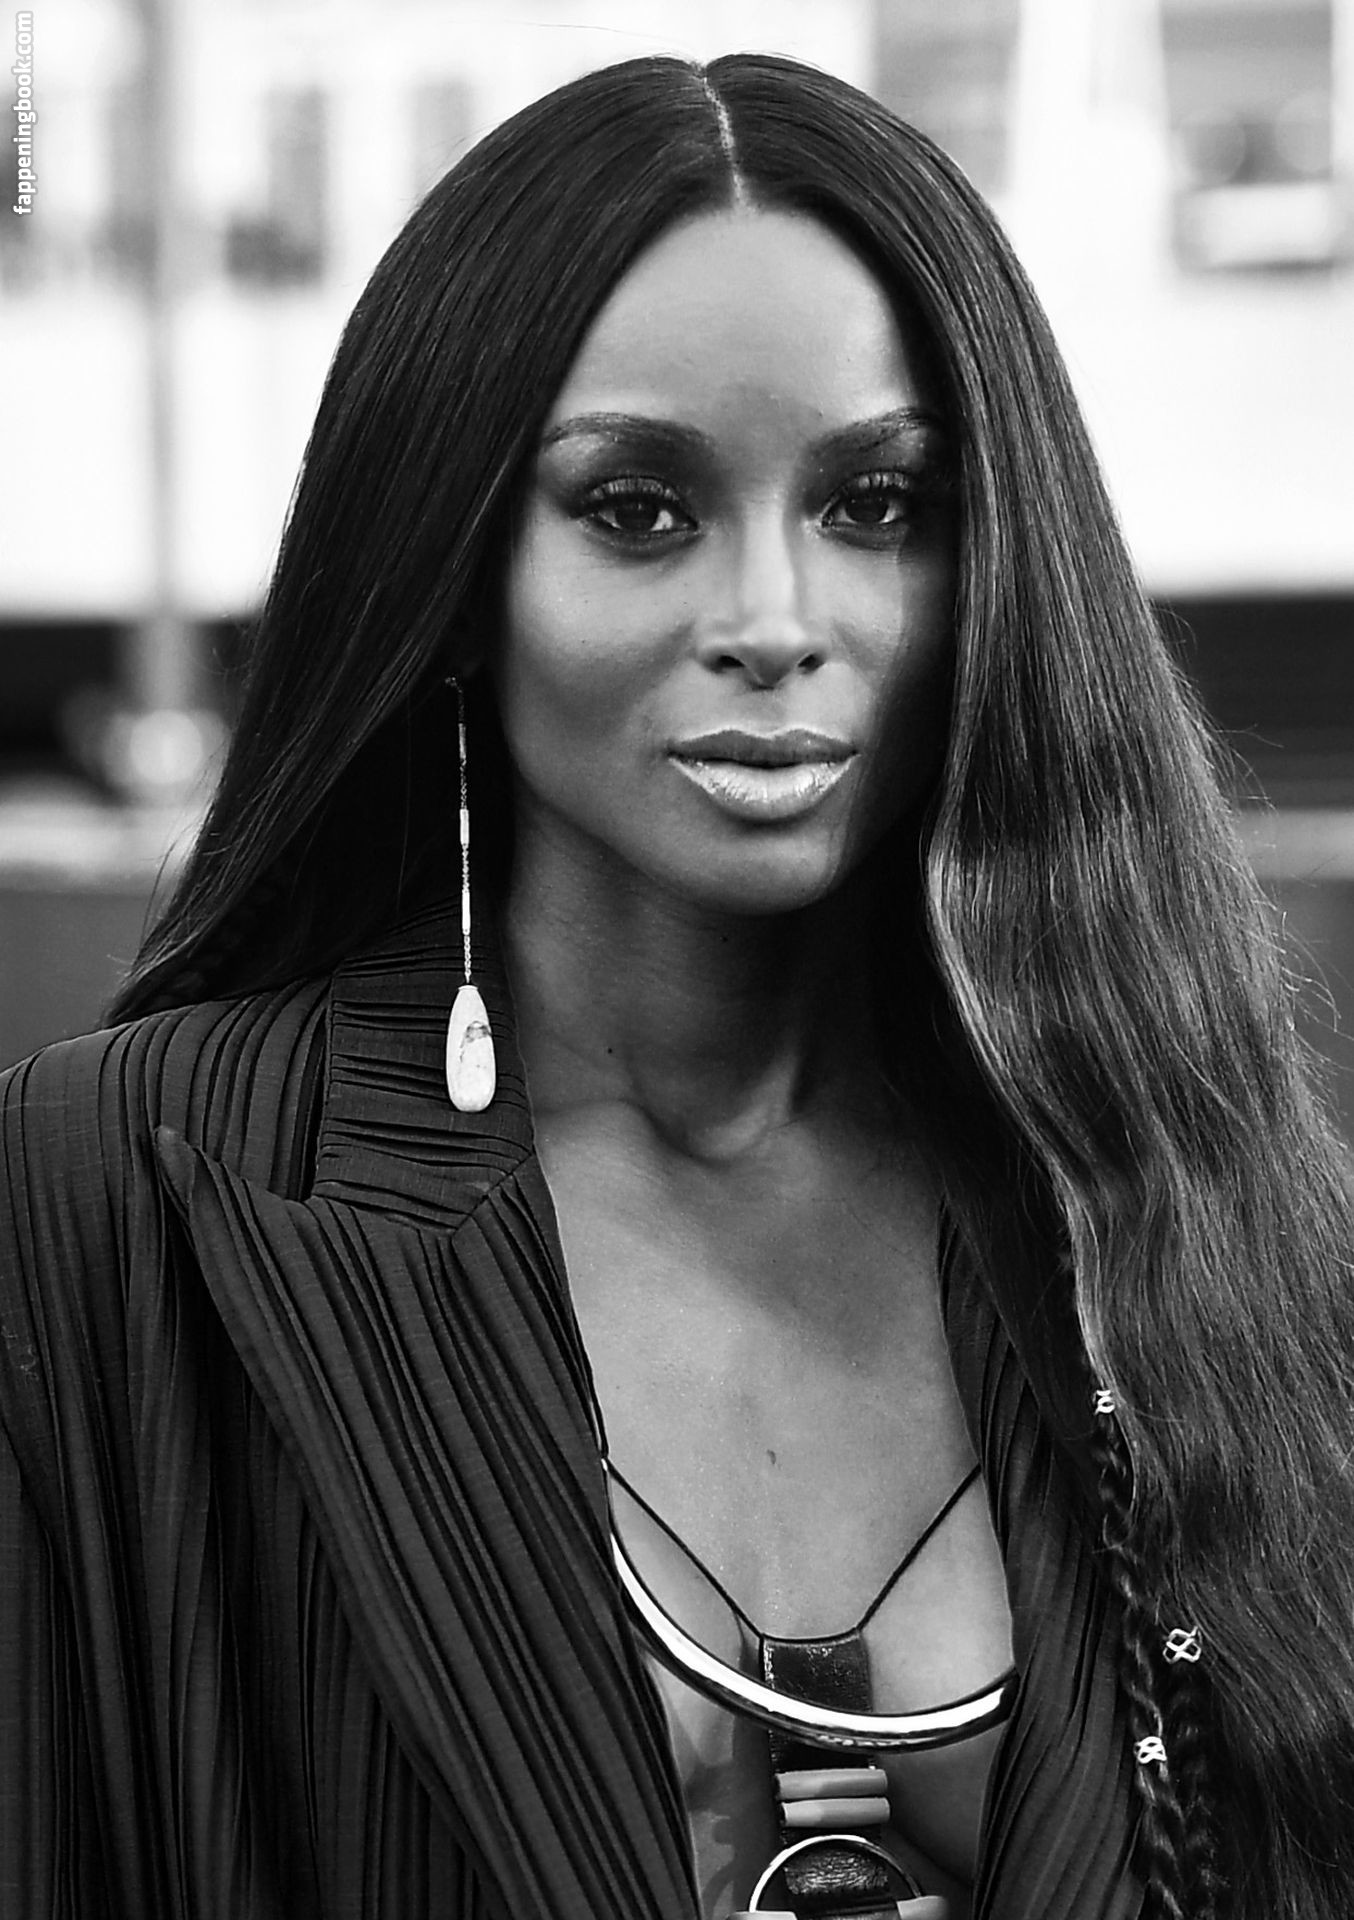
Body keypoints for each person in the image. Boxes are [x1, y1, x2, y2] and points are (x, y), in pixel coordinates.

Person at [2, 51, 1352, 1920]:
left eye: (876, 503)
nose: (773, 619)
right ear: (451, 570)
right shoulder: (111, 1201)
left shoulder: (1193, 1207)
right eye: (638, 508)